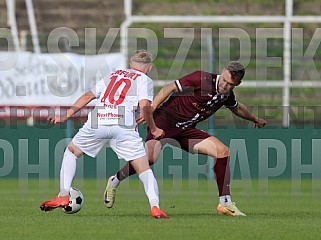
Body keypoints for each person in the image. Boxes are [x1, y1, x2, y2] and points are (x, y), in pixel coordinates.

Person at [104, 61, 267, 216]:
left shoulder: (226, 95)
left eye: (230, 84)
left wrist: (255, 119)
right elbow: (170, 88)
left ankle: (225, 202)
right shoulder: (201, 78)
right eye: (224, 80)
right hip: (165, 122)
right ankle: (115, 180)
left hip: (186, 130)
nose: (225, 85)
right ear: (222, 73)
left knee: (222, 151)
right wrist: (152, 108)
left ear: (237, 84)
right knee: (150, 158)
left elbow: (237, 108)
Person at [40, 50, 168, 219]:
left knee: (71, 152)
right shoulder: (145, 80)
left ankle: (64, 194)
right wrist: (154, 129)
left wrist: (65, 116)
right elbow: (145, 106)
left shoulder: (113, 74)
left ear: (130, 64)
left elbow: (88, 96)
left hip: (98, 120)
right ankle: (155, 207)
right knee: (144, 169)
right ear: (149, 68)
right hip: (123, 124)